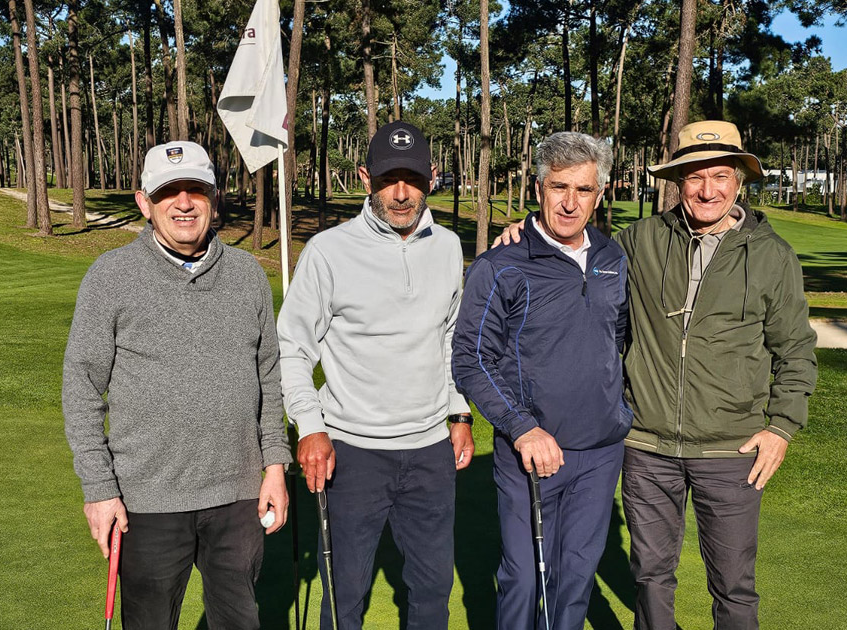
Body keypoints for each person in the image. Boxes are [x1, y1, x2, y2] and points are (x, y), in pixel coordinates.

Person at [496, 120, 818, 630]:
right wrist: (524, 231)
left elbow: (796, 350)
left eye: (720, 175)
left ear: (738, 181)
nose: (707, 190)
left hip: (731, 448)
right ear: (678, 182)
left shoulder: (772, 255)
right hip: (647, 447)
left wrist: (781, 427)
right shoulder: (638, 241)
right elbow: (573, 245)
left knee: (734, 585)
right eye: (695, 177)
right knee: (650, 576)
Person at [63, 140, 291, 630]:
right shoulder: (111, 276)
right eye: (169, 191)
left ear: (214, 198)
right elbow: (81, 388)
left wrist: (275, 466)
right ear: (144, 202)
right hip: (145, 500)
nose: (184, 203)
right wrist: (99, 489)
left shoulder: (248, 275)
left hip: (237, 496)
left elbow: (269, 379)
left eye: (196, 190)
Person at [278, 121, 475, 630]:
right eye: (389, 179)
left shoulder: (448, 247)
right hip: (352, 453)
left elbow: (450, 338)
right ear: (367, 178)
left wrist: (459, 413)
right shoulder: (328, 251)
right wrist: (310, 426)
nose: (402, 193)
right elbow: (293, 348)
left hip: (430, 451)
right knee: (345, 595)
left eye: (413, 178)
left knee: (432, 593)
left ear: (433, 176)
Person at [452, 131, 631, 630]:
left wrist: (618, 409)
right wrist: (522, 427)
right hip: (530, 451)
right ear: (538, 188)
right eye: (559, 187)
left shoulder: (613, 258)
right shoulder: (501, 264)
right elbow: (470, 358)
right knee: (525, 579)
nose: (570, 203)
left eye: (583, 189)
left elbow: (616, 338)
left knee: (575, 579)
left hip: (600, 452)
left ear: (600, 194)